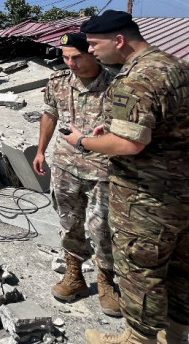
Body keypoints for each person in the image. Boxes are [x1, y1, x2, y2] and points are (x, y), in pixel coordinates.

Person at [61, 10, 189, 344]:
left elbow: (129, 144)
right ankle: (176, 336)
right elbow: (170, 125)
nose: (93, 52)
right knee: (184, 267)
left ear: (118, 40)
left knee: (141, 271)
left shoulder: (134, 79)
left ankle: (138, 339)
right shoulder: (184, 69)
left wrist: (83, 141)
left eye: (95, 45)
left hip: (150, 199)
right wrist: (115, 130)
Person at [32, 33, 119, 317]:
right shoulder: (58, 82)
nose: (71, 63)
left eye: (77, 57)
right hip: (65, 166)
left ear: (93, 53)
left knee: (103, 228)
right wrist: (41, 151)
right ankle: (74, 276)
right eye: (66, 57)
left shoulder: (116, 85)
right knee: (69, 223)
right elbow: (49, 115)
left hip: (103, 170)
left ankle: (106, 282)